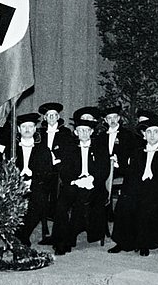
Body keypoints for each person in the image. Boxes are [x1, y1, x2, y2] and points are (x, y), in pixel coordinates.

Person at [109, 118, 158, 256]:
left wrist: (151, 186)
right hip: (138, 187)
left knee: (147, 203)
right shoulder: (138, 152)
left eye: (155, 132)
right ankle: (124, 242)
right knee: (124, 202)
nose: (152, 135)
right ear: (144, 135)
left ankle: (144, 243)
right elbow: (130, 174)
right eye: (148, 132)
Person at [52, 117, 110, 255]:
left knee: (81, 201)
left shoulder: (100, 148)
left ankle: (68, 240)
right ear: (76, 133)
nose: (83, 133)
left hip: (95, 186)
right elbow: (64, 171)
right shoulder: (70, 148)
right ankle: (60, 239)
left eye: (86, 130)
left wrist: (91, 179)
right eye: (80, 130)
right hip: (74, 183)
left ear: (91, 132)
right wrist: (75, 180)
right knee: (62, 204)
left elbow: (104, 170)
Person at [9, 113, 54, 247]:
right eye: (24, 127)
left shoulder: (43, 149)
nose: (27, 130)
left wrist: (32, 179)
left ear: (35, 129)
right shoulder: (12, 149)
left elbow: (47, 171)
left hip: (36, 185)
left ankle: (23, 234)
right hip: (16, 185)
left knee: (38, 202)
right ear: (18, 129)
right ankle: (18, 235)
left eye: (30, 126)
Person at [37, 102, 74, 245]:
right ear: (45, 118)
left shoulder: (65, 133)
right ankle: (45, 229)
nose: (52, 118)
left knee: (58, 199)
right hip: (43, 171)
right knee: (41, 197)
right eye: (49, 115)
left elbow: (69, 152)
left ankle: (57, 233)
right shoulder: (39, 133)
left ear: (58, 117)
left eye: (54, 115)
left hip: (59, 171)